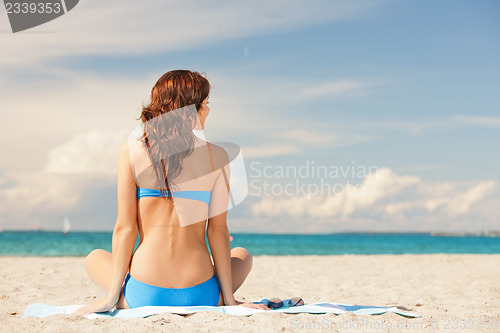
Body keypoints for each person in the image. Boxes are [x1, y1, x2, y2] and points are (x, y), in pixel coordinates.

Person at [74, 70, 270, 316]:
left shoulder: (130, 152)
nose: (208, 110)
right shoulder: (218, 156)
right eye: (205, 104)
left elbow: (126, 228)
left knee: (95, 257)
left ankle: (119, 293)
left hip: (144, 293)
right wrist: (229, 299)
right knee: (243, 255)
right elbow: (217, 230)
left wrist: (113, 296)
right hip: (202, 293)